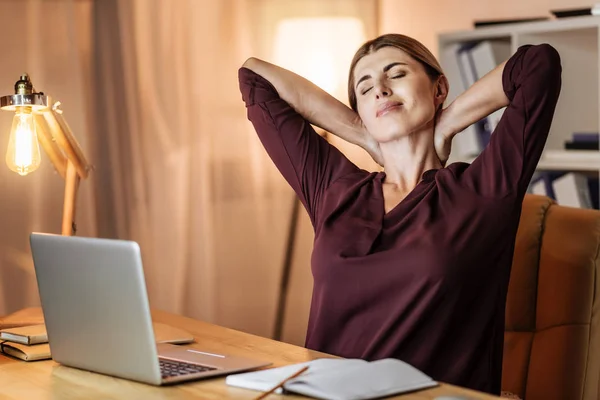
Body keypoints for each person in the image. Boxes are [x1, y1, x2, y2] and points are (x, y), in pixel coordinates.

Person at [238, 33, 562, 395]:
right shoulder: (335, 189)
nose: (380, 89)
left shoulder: (483, 191)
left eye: (396, 74)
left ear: (439, 88)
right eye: (365, 87)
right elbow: (255, 78)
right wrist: (364, 134)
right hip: (321, 393)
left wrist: (448, 121)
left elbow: (538, 65)